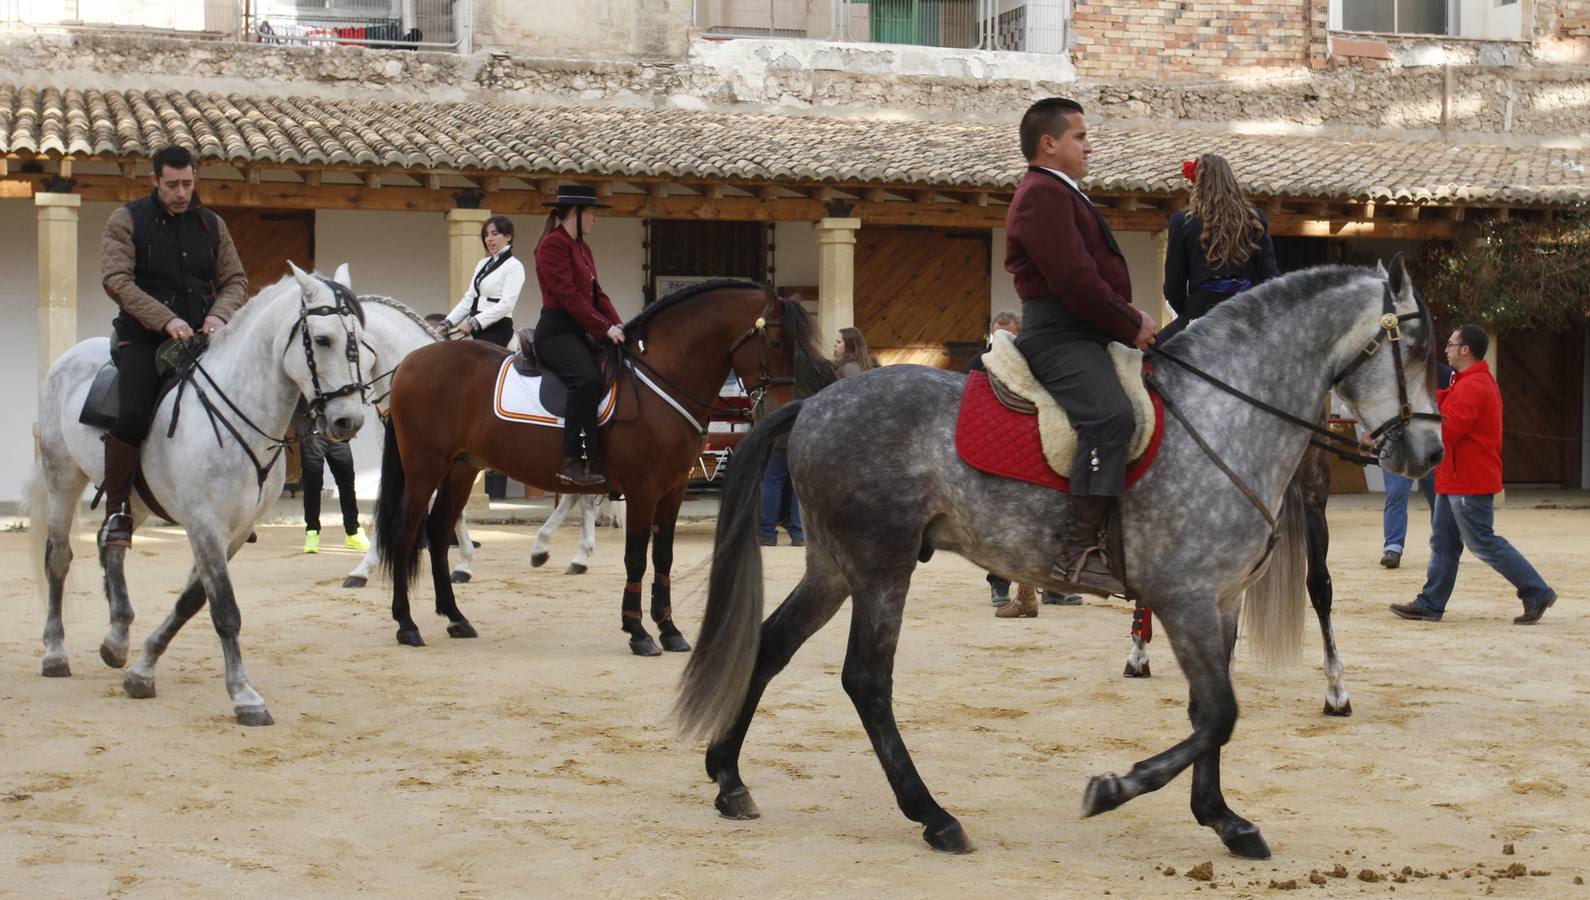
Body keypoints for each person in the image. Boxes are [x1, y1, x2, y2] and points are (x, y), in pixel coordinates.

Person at [1005, 97, 1155, 595]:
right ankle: (1076, 554)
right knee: (1111, 416)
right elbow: (1073, 278)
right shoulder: (1042, 193)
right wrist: (1130, 323)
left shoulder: (1060, 191)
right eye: (1080, 137)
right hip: (1061, 335)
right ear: (1049, 144)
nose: (1090, 146)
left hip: (1084, 331)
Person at [98, 145, 249, 547]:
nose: (181, 193)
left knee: (243, 401)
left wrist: (219, 315)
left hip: (205, 338)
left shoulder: (212, 224)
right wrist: (164, 318)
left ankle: (236, 505)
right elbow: (116, 279)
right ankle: (117, 511)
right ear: (154, 181)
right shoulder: (125, 219)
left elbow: (235, 280)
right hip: (144, 339)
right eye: (172, 185)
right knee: (131, 412)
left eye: (187, 183)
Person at [1390, 326, 1558, 624]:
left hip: (1467, 481)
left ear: (1465, 350)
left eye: (1451, 344)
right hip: (1455, 479)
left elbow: (1448, 429)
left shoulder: (1473, 386)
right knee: (1444, 543)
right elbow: (1444, 403)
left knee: (1483, 542)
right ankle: (1431, 603)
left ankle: (1536, 591)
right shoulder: (1468, 382)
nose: (1446, 349)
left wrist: (1410, 425)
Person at [966, 310, 1082, 612]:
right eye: (998, 334)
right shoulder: (978, 363)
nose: (1003, 340)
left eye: (1010, 335)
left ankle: (1051, 587)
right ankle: (1000, 585)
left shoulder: (1035, 362)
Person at [533, 184, 623, 487]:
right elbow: (569, 297)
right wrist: (604, 327)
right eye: (593, 213)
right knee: (585, 379)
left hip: (582, 331)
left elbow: (598, 295)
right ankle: (572, 460)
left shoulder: (584, 248)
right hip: (556, 332)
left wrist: (621, 327)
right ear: (576, 212)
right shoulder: (552, 245)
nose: (595, 219)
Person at [1158, 153, 1279, 342]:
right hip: (1245, 311)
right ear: (1231, 180)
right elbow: (1270, 278)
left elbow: (1174, 289)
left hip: (1201, 311)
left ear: (1197, 183)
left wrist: (1189, 314)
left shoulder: (1181, 222)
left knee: (1149, 357)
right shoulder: (1256, 218)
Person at [1380, 361, 1455, 568]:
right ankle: (1393, 548)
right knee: (1396, 495)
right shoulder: (1389, 374)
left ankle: (1444, 546)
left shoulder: (1444, 374)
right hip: (1399, 443)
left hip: (1430, 443)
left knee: (1438, 498)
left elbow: (1450, 406)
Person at [294, 400, 368, 553]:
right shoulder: (307, 378)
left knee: (347, 484)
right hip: (312, 434)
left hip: (337, 435)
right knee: (313, 485)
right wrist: (302, 429)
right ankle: (312, 532)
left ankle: (353, 532)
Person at [438, 215, 524, 347]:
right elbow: (470, 298)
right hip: (473, 325)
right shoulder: (483, 263)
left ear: (508, 237)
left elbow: (507, 305)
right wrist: (447, 322)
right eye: (486, 235)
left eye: (495, 234)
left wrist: (474, 322)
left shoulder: (514, 266)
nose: (489, 239)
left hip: (497, 328)